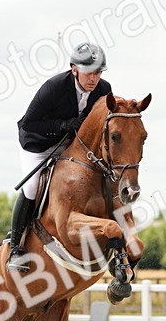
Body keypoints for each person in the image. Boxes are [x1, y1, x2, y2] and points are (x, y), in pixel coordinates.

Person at [7, 42, 112, 271]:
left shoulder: (104, 90)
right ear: (74, 69)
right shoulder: (54, 87)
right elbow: (29, 123)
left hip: (69, 145)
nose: (93, 78)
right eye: (89, 72)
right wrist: (63, 124)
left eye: (98, 72)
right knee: (33, 186)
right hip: (37, 143)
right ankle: (16, 247)